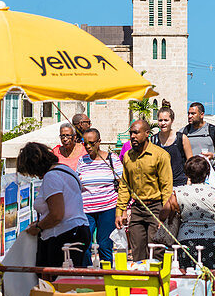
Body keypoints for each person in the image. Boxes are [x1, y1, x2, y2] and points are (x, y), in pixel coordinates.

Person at [169, 156, 215, 296]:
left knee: (187, 279)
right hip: (210, 241)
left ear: (187, 174)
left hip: (185, 241)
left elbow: (166, 212)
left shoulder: (178, 193)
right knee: (211, 280)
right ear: (207, 174)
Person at [18, 142, 90, 267]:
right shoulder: (66, 170)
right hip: (77, 230)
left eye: (32, 172)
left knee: (58, 280)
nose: (35, 176)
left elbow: (57, 215)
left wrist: (39, 227)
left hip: (64, 235)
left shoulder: (51, 177)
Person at [115, 120, 174, 261]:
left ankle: (158, 280)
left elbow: (167, 187)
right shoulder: (128, 156)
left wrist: (165, 216)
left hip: (156, 207)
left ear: (147, 134)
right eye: (131, 133)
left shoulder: (160, 155)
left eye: (136, 133)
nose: (133, 136)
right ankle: (140, 281)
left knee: (156, 249)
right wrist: (119, 211)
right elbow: (124, 185)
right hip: (137, 208)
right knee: (137, 249)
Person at [76, 129, 123, 265]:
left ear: (99, 142)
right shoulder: (82, 161)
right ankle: (87, 275)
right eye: (85, 144)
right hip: (86, 210)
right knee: (84, 245)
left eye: (91, 143)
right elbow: (77, 182)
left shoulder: (111, 159)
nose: (88, 147)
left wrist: (122, 209)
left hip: (107, 208)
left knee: (104, 245)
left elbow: (123, 184)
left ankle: (105, 276)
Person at [151, 101, 192, 186]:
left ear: (172, 120)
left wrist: (189, 180)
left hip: (180, 184)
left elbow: (191, 162)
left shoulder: (182, 138)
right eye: (160, 120)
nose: (163, 123)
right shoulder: (153, 140)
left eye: (166, 120)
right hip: (160, 185)